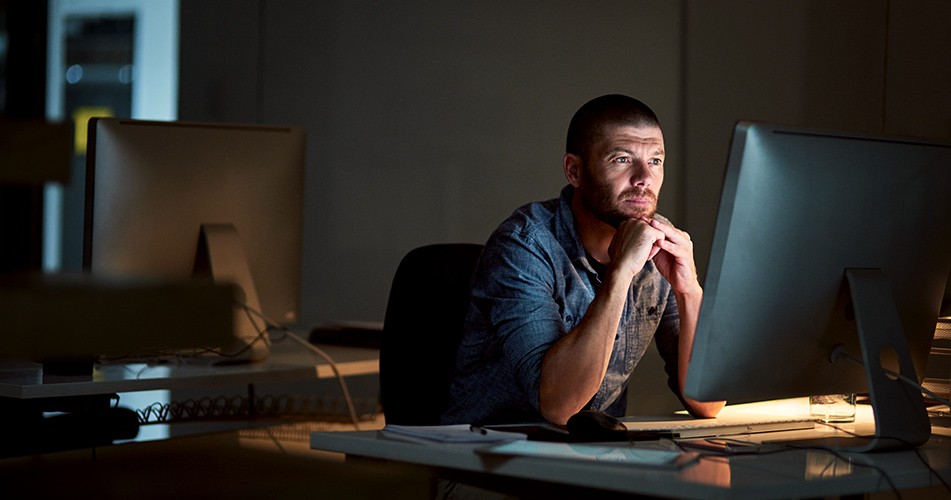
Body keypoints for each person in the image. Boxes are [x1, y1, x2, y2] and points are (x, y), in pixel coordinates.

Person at [441, 94, 724, 426]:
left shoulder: (658, 247)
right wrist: (619, 275)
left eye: (656, 161)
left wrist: (690, 291)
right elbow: (560, 408)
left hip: (594, 458)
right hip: (487, 460)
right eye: (622, 159)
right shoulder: (524, 246)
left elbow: (708, 402)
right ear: (574, 171)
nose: (644, 178)